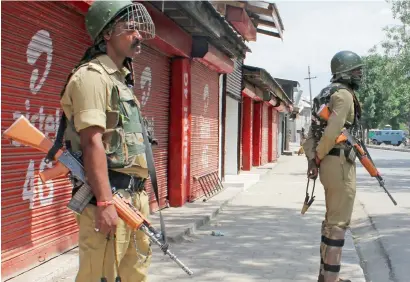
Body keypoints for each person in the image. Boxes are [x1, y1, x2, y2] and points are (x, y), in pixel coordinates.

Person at [59, 1, 156, 281]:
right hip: (109, 198)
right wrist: (104, 203)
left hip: (133, 198)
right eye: (130, 29)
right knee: (100, 274)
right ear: (106, 35)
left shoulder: (121, 80)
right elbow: (92, 143)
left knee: (134, 274)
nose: (138, 35)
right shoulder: (91, 78)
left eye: (139, 29)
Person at [303, 50, 364, 282]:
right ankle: (331, 279)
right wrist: (318, 157)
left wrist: (314, 159)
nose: (359, 74)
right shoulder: (345, 95)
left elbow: (311, 134)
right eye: (356, 70)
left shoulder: (324, 94)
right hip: (339, 164)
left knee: (330, 223)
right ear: (345, 71)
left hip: (328, 165)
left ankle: (326, 276)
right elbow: (331, 133)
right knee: (338, 225)